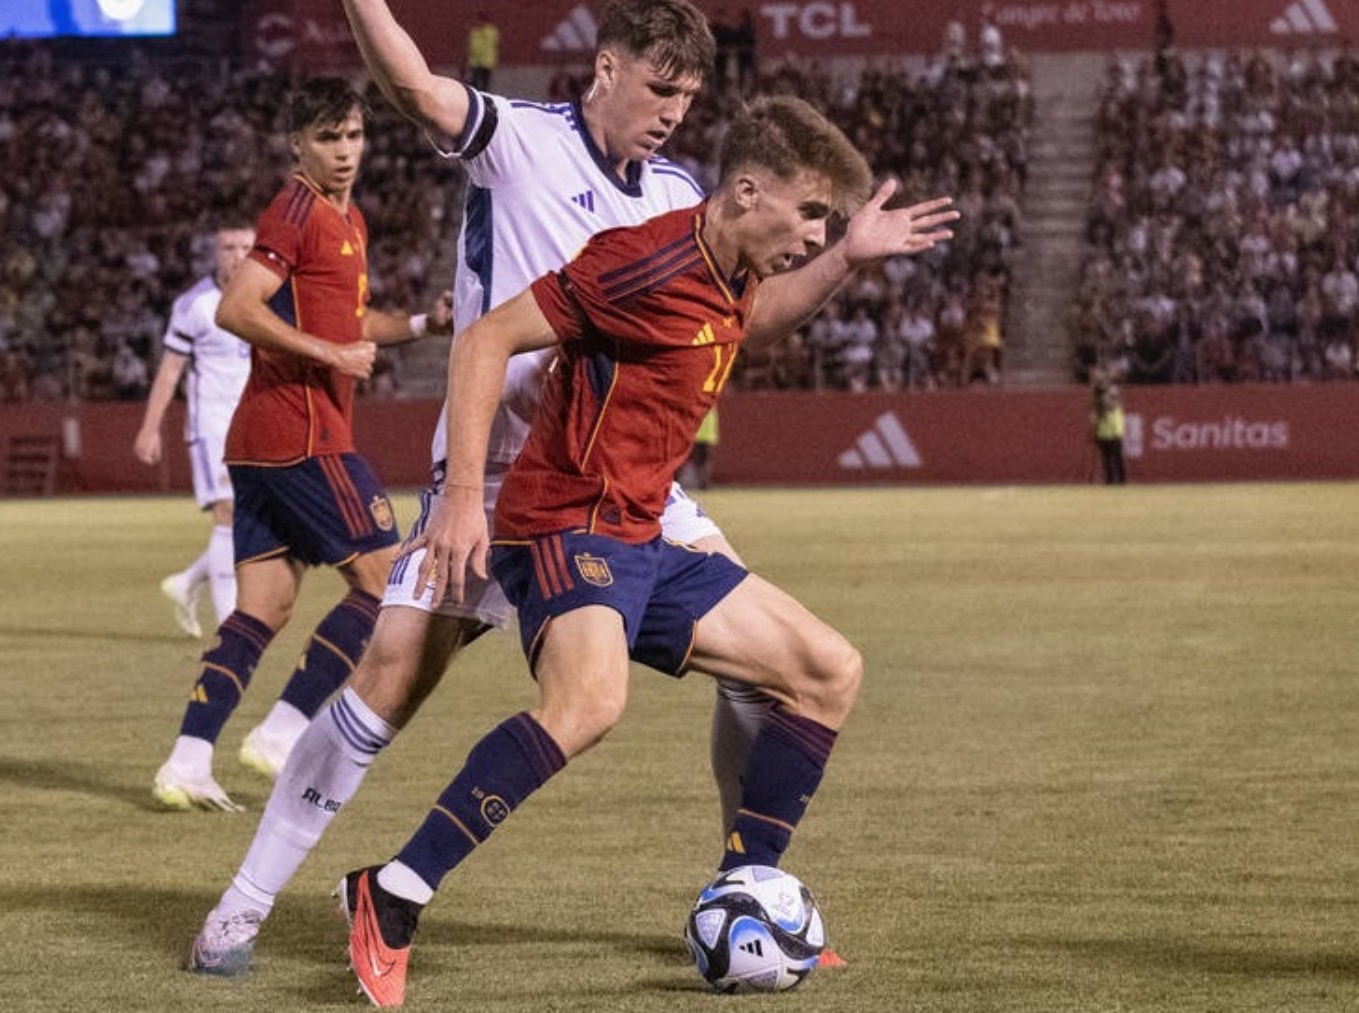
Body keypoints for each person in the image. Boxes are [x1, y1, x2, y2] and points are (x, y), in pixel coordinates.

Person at [337, 95, 955, 1006]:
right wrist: (464, 499)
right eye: (811, 214)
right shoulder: (641, 261)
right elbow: (484, 340)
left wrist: (845, 259)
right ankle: (391, 895)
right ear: (748, 191)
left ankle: (744, 894)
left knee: (827, 670)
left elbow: (758, 320)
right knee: (589, 703)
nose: (815, 232)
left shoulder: (734, 267)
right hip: (563, 524)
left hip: (641, 530)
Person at [184, 0, 740, 974]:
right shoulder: (519, 140)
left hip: (616, 486)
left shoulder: (684, 194)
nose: (673, 112)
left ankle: (748, 884)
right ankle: (241, 905)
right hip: (488, 477)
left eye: (689, 95)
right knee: (390, 675)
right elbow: (412, 88)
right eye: (660, 88)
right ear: (606, 70)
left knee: (776, 661)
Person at [150, 78, 446, 813]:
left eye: (352, 136)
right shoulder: (294, 208)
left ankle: (187, 760)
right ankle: (283, 731)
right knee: (384, 583)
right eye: (327, 139)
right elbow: (234, 307)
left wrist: (418, 324)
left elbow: (353, 321)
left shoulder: (349, 218)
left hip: (259, 442)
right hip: (301, 435)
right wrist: (326, 353)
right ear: (297, 145)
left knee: (263, 610)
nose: (344, 152)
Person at [134, 225, 256, 638]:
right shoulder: (195, 304)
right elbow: (170, 370)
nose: (237, 255)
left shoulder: (267, 296)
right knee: (228, 512)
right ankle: (230, 627)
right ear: (215, 253)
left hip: (256, 424)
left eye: (245, 247)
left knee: (256, 523)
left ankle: (187, 582)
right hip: (212, 425)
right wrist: (150, 429)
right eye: (228, 247)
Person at [1092, 364, 1126, 485]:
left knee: (1116, 455)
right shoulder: (1097, 391)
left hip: (1113, 425)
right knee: (1106, 456)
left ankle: (1121, 480)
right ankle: (1109, 479)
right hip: (1104, 426)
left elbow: (1112, 403)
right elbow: (1095, 408)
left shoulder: (1111, 388)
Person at [464, 13, 498, 92]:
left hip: (487, 62)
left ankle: (484, 101)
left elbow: (493, 45)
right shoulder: (474, 32)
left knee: (485, 84)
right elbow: (470, 46)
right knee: (474, 84)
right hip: (475, 62)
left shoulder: (491, 32)